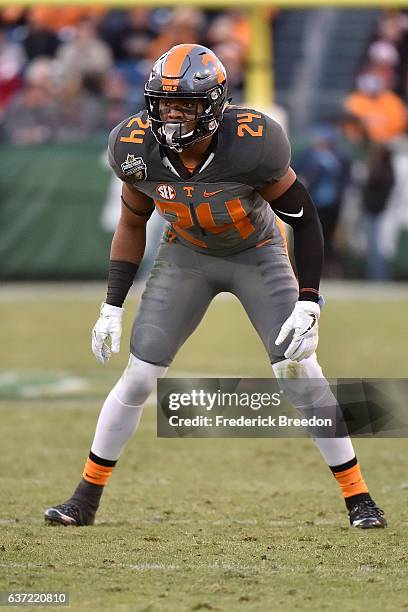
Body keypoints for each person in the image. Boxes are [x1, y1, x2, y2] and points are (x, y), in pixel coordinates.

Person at [44, 44, 386, 529]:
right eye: (165, 104)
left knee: (299, 368)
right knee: (139, 376)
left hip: (256, 253)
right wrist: (111, 306)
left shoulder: (252, 142)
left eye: (185, 104)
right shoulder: (134, 145)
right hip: (187, 257)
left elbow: (305, 220)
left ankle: (359, 499)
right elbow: (131, 222)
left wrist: (309, 300)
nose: (173, 116)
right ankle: (84, 498)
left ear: (214, 105)